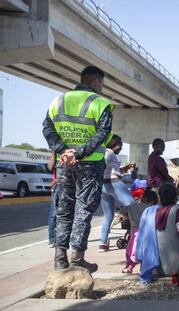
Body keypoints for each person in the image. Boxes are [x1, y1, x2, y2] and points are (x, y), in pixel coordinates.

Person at [42, 65, 114, 272]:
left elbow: (47, 129)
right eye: (102, 85)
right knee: (83, 209)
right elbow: (103, 133)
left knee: (64, 210)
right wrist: (79, 152)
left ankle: (59, 257)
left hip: (65, 164)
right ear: (96, 82)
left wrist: (64, 151)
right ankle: (77, 258)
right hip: (90, 164)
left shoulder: (58, 101)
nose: (102, 89)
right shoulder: (101, 104)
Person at [99, 135, 138, 252]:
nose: (121, 148)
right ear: (114, 144)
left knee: (107, 216)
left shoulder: (110, 154)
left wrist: (127, 168)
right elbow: (103, 163)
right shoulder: (109, 152)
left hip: (104, 186)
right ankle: (121, 216)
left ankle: (103, 243)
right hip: (114, 183)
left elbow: (115, 170)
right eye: (120, 145)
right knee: (132, 204)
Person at [119, 188, 159, 274]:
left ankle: (129, 266)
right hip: (148, 232)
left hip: (135, 232)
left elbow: (121, 211)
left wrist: (128, 215)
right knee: (145, 252)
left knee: (131, 251)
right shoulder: (151, 208)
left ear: (143, 197)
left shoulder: (132, 205)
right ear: (152, 201)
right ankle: (143, 267)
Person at [47, 151, 58, 248]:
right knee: (54, 214)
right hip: (57, 185)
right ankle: (52, 239)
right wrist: (54, 152)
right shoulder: (55, 152)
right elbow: (50, 167)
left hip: (70, 184)